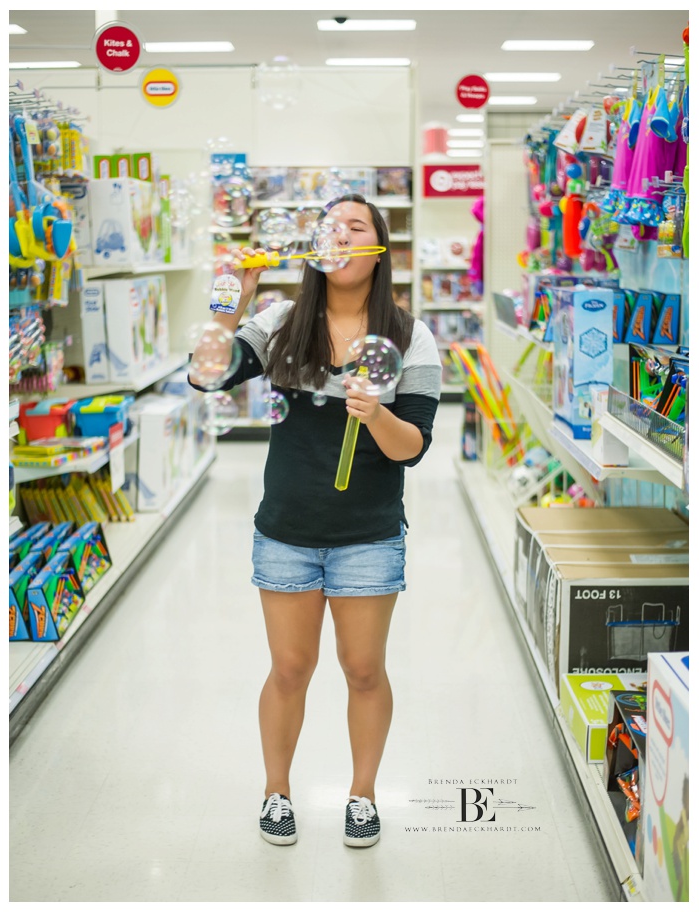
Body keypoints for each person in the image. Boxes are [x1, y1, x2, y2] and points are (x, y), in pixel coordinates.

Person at [189, 193, 441, 848]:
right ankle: (276, 790)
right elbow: (206, 376)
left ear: (378, 248)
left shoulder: (412, 337)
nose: (341, 234)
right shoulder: (280, 320)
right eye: (330, 226)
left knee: (363, 669)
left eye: (357, 225)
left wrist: (376, 413)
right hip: (287, 530)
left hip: (370, 534)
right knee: (290, 668)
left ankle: (362, 795)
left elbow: (412, 447)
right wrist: (228, 304)